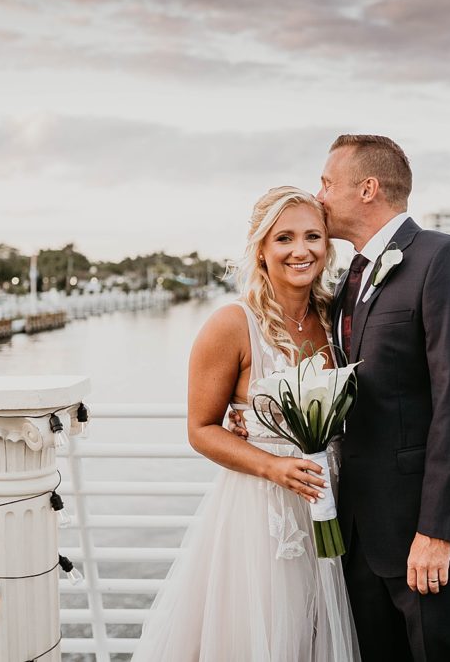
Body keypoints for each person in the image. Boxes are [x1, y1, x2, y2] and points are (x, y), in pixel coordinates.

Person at [131, 187, 360, 661]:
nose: (301, 250)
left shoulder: (337, 317)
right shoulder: (232, 324)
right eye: (285, 238)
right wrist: (272, 467)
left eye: (313, 236)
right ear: (261, 247)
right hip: (262, 513)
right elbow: (201, 429)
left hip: (334, 502)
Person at [317, 134, 450, 661]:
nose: (318, 195)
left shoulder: (445, 258)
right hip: (365, 537)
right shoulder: (350, 280)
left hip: (431, 539)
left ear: (367, 188)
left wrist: (437, 529)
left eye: (326, 182)